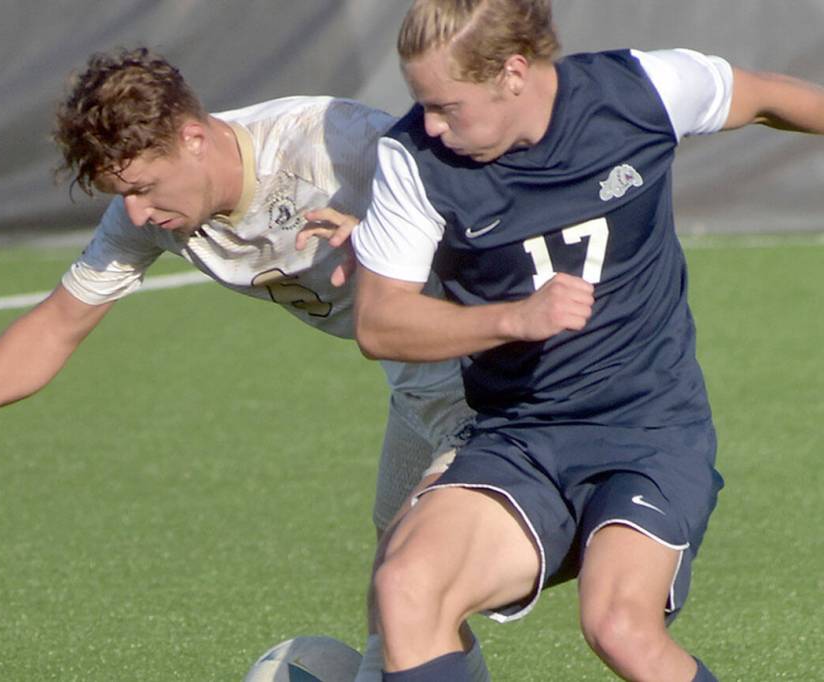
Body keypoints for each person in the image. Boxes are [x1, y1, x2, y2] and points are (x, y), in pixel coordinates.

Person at [0, 47, 488, 681]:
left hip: (495, 381)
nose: (137, 213)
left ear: (193, 138)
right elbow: (59, 324)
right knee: (394, 597)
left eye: (142, 189)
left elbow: (499, 216)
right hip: (419, 395)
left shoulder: (338, 144)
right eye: (122, 195)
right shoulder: (151, 216)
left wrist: (395, 239)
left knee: (412, 577)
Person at [342, 0, 824, 680]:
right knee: (405, 587)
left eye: (448, 106)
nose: (429, 123)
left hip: (651, 430)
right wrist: (510, 319)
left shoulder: (642, 92)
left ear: (514, 72)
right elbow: (379, 322)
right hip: (520, 437)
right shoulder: (414, 160)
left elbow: (768, 97)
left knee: (619, 627)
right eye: (423, 103)